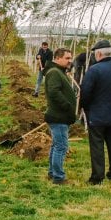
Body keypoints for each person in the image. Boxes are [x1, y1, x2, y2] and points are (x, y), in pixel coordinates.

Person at [79, 39, 111, 185]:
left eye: (95, 53)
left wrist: (86, 108)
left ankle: (97, 177)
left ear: (99, 53)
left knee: (97, 145)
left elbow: (86, 93)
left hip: (96, 115)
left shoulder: (94, 70)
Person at [43, 47, 76, 184]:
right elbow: (54, 92)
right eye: (67, 58)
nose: (70, 61)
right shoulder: (55, 72)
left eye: (70, 58)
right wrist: (68, 106)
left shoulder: (60, 72)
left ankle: (52, 173)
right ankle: (58, 177)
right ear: (57, 58)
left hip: (60, 116)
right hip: (58, 117)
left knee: (56, 145)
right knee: (61, 146)